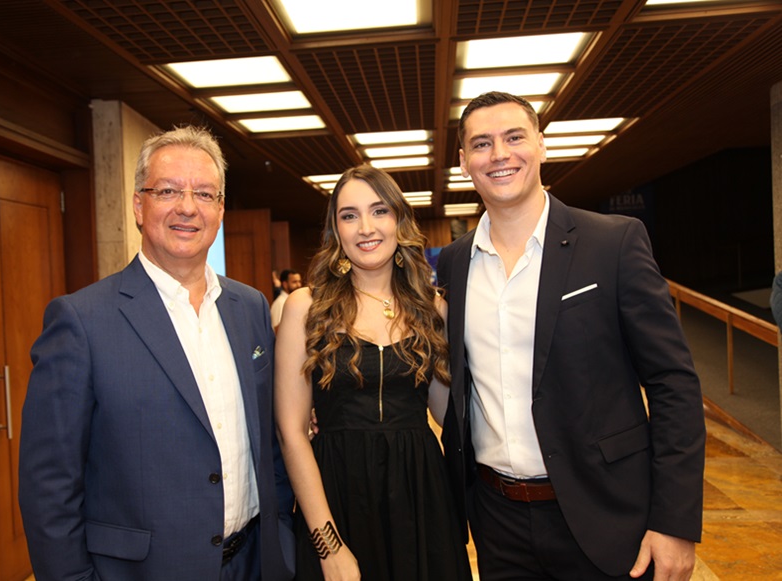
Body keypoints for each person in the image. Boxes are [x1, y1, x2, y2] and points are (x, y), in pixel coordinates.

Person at [436, 92, 705, 581]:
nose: (499, 155)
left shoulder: (613, 242)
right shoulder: (456, 263)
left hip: (607, 514)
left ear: (541, 145)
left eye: (514, 138)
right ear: (463, 162)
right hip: (498, 521)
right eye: (482, 144)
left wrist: (674, 521)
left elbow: (673, 384)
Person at [18, 125, 295, 581]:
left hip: (254, 562)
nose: (188, 206)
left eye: (205, 194)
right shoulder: (81, 321)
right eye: (168, 190)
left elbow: (268, 440)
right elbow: (50, 488)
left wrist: (280, 534)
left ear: (221, 209)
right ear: (138, 205)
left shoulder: (250, 308)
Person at [275, 164, 471, 581]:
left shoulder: (432, 308)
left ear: (399, 220)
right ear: (336, 229)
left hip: (421, 497)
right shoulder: (306, 308)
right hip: (338, 497)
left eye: (379, 211)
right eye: (349, 215)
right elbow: (291, 432)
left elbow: (444, 412)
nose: (365, 227)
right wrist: (327, 545)